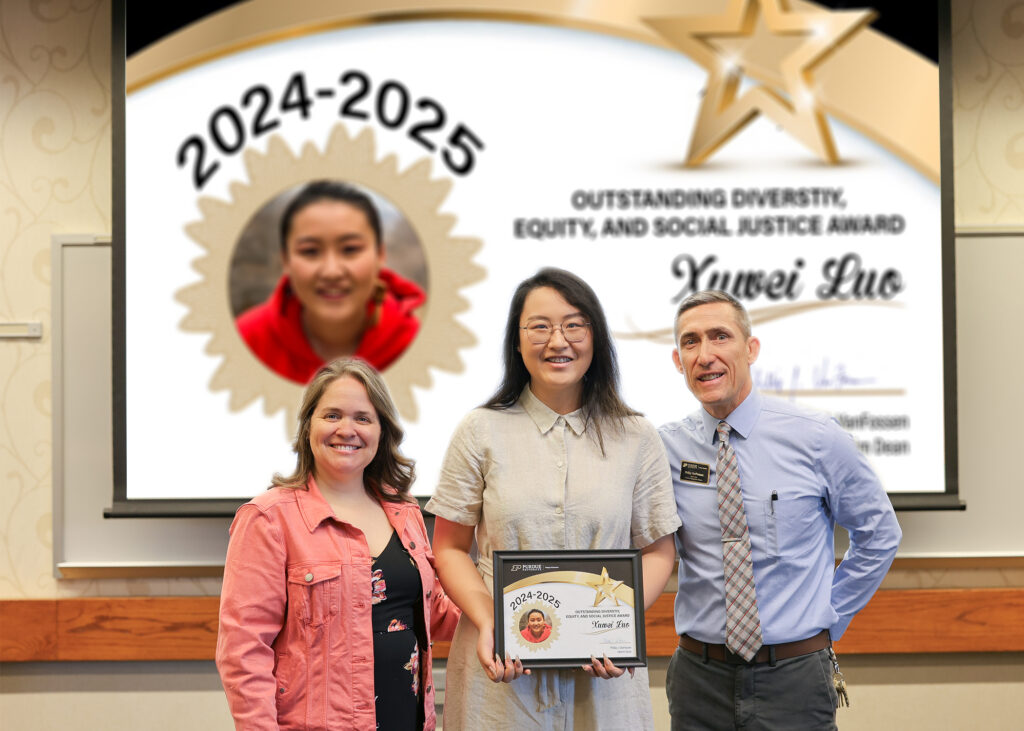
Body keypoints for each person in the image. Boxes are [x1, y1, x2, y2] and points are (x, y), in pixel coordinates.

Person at [427, 267, 681, 729]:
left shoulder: (637, 436)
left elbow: (659, 551)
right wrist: (489, 621)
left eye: (574, 325)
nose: (557, 341)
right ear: (517, 341)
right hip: (501, 672)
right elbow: (447, 547)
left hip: (605, 676)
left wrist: (618, 625)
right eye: (539, 326)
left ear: (596, 337)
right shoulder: (479, 430)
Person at [659, 290, 902, 730]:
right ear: (678, 361)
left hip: (795, 679)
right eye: (690, 342)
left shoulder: (817, 437)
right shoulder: (664, 448)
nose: (705, 354)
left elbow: (880, 534)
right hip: (699, 680)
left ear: (750, 349)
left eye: (720, 336)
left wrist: (831, 618)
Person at [216, 357, 459, 730]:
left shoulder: (405, 512)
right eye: (332, 415)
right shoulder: (268, 518)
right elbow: (243, 653)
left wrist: (510, 623)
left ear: (382, 432)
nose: (347, 429)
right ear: (308, 426)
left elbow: (435, 613)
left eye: (363, 418)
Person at [236, 181, 425, 384]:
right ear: (286, 260)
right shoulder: (245, 341)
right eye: (310, 251)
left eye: (350, 249)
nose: (331, 271)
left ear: (380, 255)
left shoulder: (416, 345)